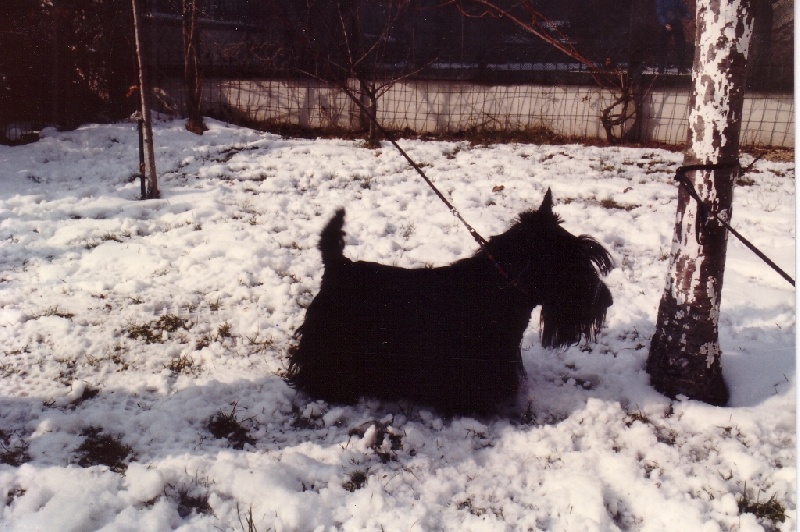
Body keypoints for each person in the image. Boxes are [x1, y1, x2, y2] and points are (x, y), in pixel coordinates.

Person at [655, 0, 692, 73]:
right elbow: (660, 11)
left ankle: (681, 67)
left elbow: (683, 7)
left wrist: (688, 15)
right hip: (666, 24)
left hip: (676, 22)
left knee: (681, 45)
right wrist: (665, 23)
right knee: (663, 45)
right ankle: (661, 67)